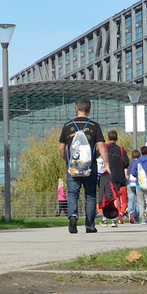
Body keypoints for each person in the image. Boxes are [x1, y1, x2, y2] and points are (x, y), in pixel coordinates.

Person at [59, 98, 109, 234]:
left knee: (73, 193)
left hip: (73, 166)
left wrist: (67, 161)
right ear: (89, 110)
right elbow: (102, 147)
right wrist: (106, 164)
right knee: (91, 195)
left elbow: (61, 148)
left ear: (76, 108)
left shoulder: (68, 126)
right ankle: (90, 225)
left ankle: (73, 216)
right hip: (90, 166)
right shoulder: (94, 126)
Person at [104, 128, 130, 225]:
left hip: (107, 175)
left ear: (107, 138)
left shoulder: (104, 149)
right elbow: (126, 163)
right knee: (118, 197)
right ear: (117, 139)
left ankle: (107, 217)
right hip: (119, 176)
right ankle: (117, 216)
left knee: (109, 196)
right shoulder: (121, 150)